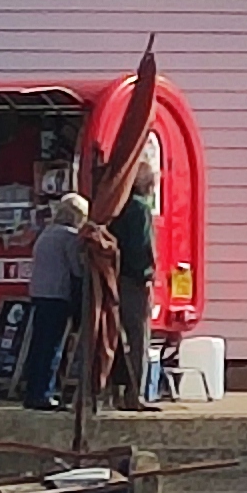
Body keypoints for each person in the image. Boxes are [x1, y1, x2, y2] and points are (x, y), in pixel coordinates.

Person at [19, 191, 88, 408]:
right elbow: (77, 270)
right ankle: (44, 394)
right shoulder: (69, 237)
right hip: (57, 295)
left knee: (39, 345)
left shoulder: (46, 233)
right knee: (53, 347)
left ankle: (33, 392)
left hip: (39, 293)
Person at [109, 166, 159, 408]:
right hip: (133, 280)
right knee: (138, 337)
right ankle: (134, 394)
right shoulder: (140, 208)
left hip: (112, 276)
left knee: (114, 336)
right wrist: (147, 275)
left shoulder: (114, 205)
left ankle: (113, 391)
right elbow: (142, 245)